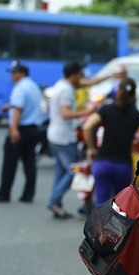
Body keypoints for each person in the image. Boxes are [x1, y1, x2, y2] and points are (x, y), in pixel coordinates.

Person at [82, 77, 139, 206]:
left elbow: (87, 126)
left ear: (117, 91)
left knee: (101, 205)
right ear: (134, 95)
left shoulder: (106, 109)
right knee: (120, 206)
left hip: (102, 164)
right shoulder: (136, 116)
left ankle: (99, 227)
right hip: (123, 167)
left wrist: (91, 148)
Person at [46, 61, 98, 219]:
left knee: (60, 171)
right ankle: (54, 201)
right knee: (73, 171)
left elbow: (87, 83)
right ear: (75, 75)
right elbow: (66, 113)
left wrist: (109, 76)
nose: (82, 78)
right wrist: (88, 111)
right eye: (81, 74)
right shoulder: (67, 90)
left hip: (55, 135)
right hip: (64, 137)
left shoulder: (61, 85)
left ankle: (56, 204)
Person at [0, 60, 42, 203]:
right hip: (33, 129)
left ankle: (4, 194)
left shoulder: (20, 88)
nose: (11, 75)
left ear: (22, 73)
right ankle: (28, 195)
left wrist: (13, 129)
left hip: (21, 129)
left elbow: (18, 109)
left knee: (10, 162)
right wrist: (9, 105)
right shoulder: (33, 86)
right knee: (29, 162)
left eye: (14, 72)